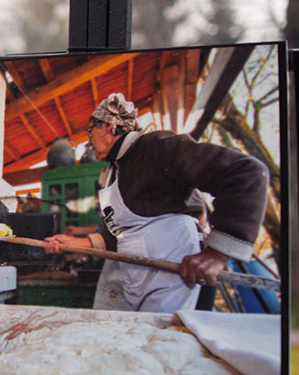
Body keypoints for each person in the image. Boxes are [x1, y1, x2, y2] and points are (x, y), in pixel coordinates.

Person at [44, 93, 269, 312]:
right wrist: (73, 242)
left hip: (178, 270)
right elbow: (118, 236)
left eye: (90, 131)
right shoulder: (113, 172)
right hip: (139, 274)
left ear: (109, 127)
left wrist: (216, 254)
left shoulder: (156, 147)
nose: (89, 140)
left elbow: (246, 172)